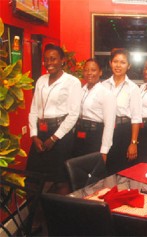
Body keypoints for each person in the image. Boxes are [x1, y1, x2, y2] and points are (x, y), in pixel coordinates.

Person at [26, 43, 82, 195]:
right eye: (46, 59)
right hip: (41, 132)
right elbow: (33, 110)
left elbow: (73, 114)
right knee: (32, 178)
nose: (49, 63)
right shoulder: (41, 80)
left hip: (61, 133)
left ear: (62, 60)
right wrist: (34, 135)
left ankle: (61, 216)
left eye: (53, 59)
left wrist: (54, 137)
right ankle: (35, 215)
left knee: (60, 179)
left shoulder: (72, 82)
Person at [102, 48, 142, 174]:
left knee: (120, 170)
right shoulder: (103, 86)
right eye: (115, 61)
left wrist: (133, 143)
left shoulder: (133, 88)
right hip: (104, 130)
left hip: (122, 132)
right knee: (104, 169)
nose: (118, 65)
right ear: (110, 63)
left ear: (129, 66)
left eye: (123, 62)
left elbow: (136, 118)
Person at [72, 58, 116, 162]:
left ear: (100, 72)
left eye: (93, 70)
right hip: (78, 134)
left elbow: (109, 125)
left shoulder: (106, 94)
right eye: (86, 70)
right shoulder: (81, 90)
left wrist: (104, 150)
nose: (89, 73)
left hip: (95, 135)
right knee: (76, 168)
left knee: (92, 172)